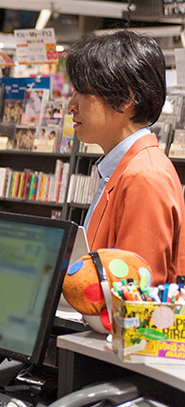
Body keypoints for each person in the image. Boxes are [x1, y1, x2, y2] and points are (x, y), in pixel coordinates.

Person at [66, 30, 185, 286]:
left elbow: (135, 293)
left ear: (125, 99)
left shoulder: (144, 176)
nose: (70, 105)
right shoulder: (123, 167)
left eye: (81, 93)